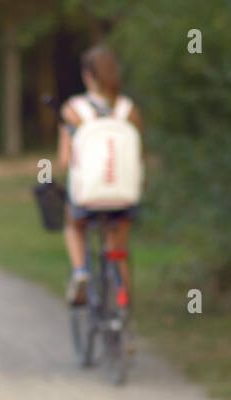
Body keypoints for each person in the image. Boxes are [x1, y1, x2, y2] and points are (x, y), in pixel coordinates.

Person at [56, 45, 143, 306]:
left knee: (72, 224)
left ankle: (81, 271)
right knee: (117, 251)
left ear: (87, 75)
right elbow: (138, 156)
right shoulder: (129, 110)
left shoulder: (73, 109)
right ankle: (123, 312)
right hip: (125, 197)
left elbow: (64, 160)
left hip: (88, 198)